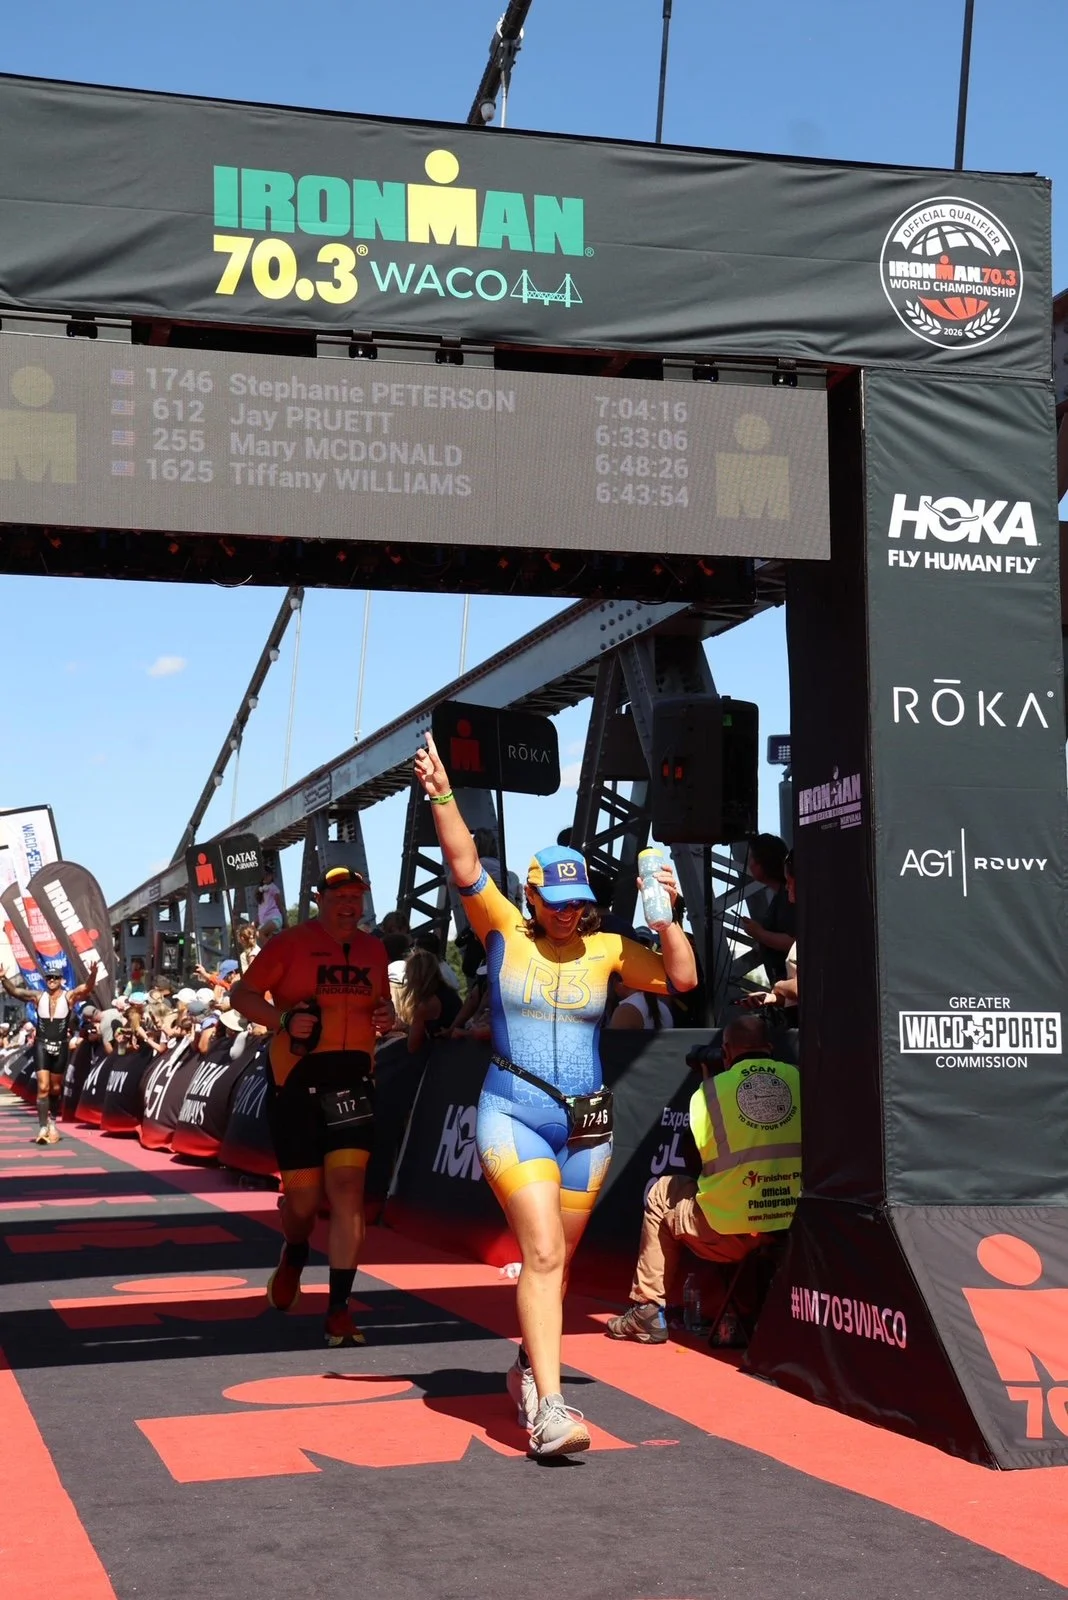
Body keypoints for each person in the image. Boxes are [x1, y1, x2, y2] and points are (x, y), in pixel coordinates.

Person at [413, 731, 697, 1458]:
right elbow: (464, 863)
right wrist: (443, 795)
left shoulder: (608, 950)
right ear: (533, 895)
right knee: (540, 1255)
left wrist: (669, 919)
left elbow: (686, 979)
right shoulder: (505, 929)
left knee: (559, 1264)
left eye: (579, 904)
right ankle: (551, 1408)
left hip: (588, 1128)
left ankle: (525, 1369)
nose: (569, 914)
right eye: (558, 902)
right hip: (512, 1113)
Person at [230, 865, 395, 1349]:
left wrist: (387, 1015)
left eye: (357, 896)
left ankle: (339, 1308)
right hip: (298, 1083)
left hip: (353, 1083)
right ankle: (294, 1251)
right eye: (340, 896)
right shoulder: (290, 943)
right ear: (320, 899)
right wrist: (282, 1019)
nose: (349, 905)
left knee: (348, 1190)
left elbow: (381, 1006)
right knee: (302, 1202)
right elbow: (242, 994)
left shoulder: (373, 948)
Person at [607, 1014, 801, 1344]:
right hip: (789, 1226)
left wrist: (712, 1080)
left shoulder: (710, 1093)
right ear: (769, 1048)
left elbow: (692, 1159)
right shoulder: (796, 1078)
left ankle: (647, 1309)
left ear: (726, 1052)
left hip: (729, 1229)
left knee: (661, 1192)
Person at [1, 960, 101, 1142]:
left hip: (61, 1045)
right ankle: (42, 1127)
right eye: (49, 978)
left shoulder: (69, 997)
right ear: (46, 980)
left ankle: (53, 1123)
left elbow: (86, 988)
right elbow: (16, 992)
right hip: (42, 1045)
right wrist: (3, 978)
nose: (52, 980)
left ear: (61, 980)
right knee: (43, 1087)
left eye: (55, 978)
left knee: (55, 1088)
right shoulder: (38, 996)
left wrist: (93, 974)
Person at [738, 834, 795, 986]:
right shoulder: (780, 897)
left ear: (763, 862)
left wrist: (760, 934)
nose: (750, 864)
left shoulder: (788, 898)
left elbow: (795, 943)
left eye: (751, 858)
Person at [394, 947, 462, 1053]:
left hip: (439, 1056)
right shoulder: (448, 992)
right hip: (456, 1049)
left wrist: (403, 1028)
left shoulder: (426, 1005)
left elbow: (412, 1047)